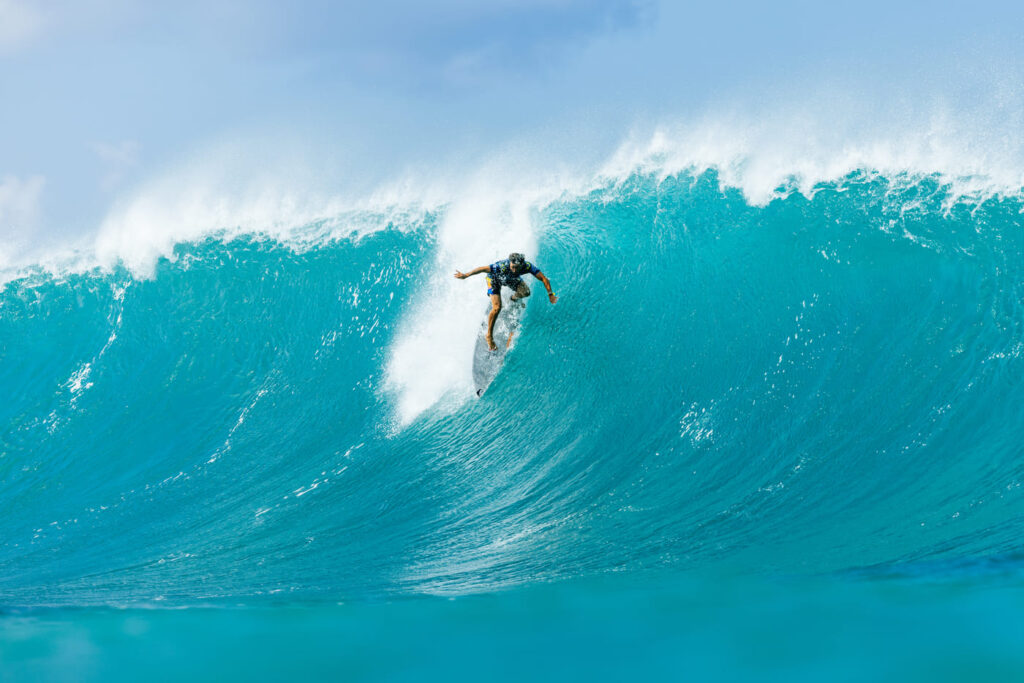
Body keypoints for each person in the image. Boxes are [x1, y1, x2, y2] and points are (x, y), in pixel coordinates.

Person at [454, 252, 557, 351]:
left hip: (510, 279)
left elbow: (544, 278)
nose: (514, 269)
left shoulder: (527, 266)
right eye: (512, 267)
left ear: (521, 265)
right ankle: (489, 336)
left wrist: (550, 294)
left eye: (516, 268)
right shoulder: (501, 266)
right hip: (494, 280)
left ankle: (513, 298)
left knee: (526, 292)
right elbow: (482, 269)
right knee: (497, 308)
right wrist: (466, 275)